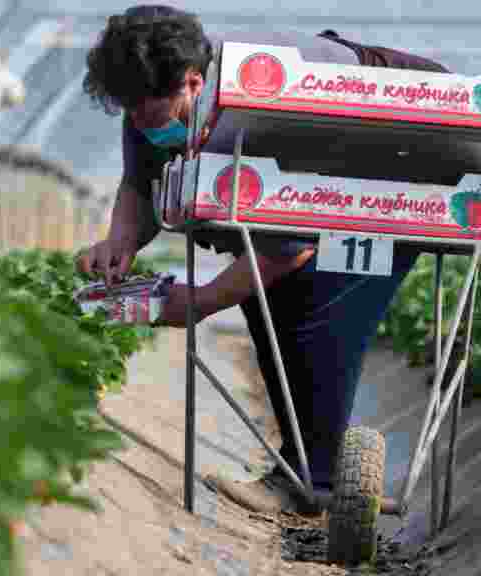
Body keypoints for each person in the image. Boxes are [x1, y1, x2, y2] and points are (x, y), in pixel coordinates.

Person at [75, 5, 449, 517]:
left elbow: (286, 251)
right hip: (331, 183)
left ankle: (313, 478)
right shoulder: (149, 104)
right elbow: (140, 182)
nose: (139, 123)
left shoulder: (259, 104)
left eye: (148, 110)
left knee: (321, 299)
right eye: (130, 111)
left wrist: (202, 301)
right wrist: (120, 241)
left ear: (192, 82)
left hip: (410, 157)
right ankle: (303, 474)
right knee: (266, 298)